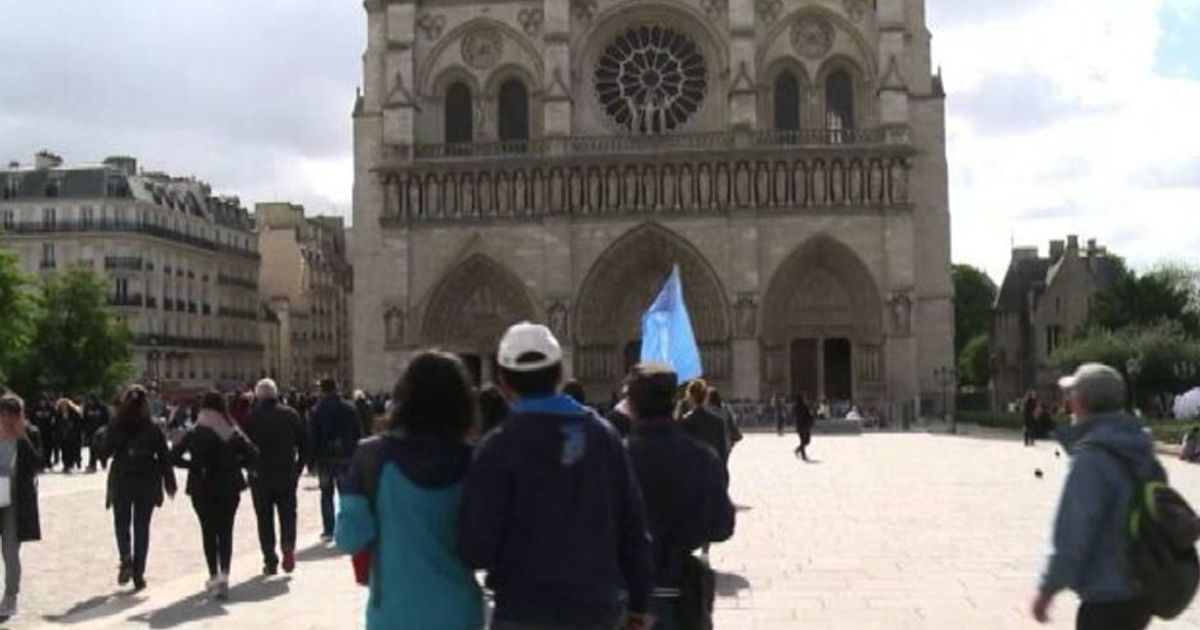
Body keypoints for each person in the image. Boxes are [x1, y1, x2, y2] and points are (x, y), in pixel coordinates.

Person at [458, 322, 653, 630]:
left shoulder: (496, 448)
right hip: (594, 611)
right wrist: (640, 605)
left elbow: (476, 547)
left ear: (503, 383)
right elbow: (633, 529)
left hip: (521, 613)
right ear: (561, 373)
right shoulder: (604, 437)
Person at [336, 352, 485, 630]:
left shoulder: (371, 456)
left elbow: (349, 538)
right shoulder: (476, 460)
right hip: (459, 612)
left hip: (395, 614)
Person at [1032, 363, 1156, 629]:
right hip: (1141, 592)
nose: (1067, 401)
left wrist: (1047, 590)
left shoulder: (1093, 457)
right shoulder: (1139, 447)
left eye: (1071, 394)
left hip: (1105, 599)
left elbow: (1073, 533)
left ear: (1082, 402)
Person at [625, 364, 736, 630]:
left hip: (628, 599)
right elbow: (722, 526)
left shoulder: (613, 458)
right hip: (681, 595)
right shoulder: (702, 457)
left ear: (630, 404)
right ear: (675, 400)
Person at [171, 392, 258, 599]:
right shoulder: (232, 431)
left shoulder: (195, 431)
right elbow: (253, 454)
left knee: (208, 532)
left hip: (202, 487)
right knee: (226, 531)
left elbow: (172, 456)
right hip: (229, 486)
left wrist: (193, 465)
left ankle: (213, 575)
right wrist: (237, 464)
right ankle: (225, 575)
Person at [103, 386, 177, 591]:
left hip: (122, 478)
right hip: (147, 480)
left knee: (121, 523)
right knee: (142, 527)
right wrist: (169, 482)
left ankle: (125, 556)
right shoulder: (152, 428)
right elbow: (163, 456)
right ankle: (138, 574)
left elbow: (106, 451)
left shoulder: (117, 425)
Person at [242, 378, 307, 576]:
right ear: (276, 393)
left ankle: (270, 559)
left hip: (260, 475)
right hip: (286, 472)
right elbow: (305, 443)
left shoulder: (251, 418)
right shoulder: (291, 414)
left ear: (258, 396)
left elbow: (243, 448)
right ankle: (288, 545)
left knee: (264, 518)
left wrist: (248, 468)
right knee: (288, 512)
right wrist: (298, 468)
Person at [0, 394, 41, 623]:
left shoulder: (30, 433)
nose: (7, 419)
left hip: (15, 496)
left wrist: (22, 437)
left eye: (12, 414)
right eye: (3, 413)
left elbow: (38, 464)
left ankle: (10, 595)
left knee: (10, 548)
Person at [310, 379, 362, 542]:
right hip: (346, 457)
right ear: (336, 388)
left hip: (324, 458)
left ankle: (329, 530)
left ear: (323, 391)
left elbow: (313, 438)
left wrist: (311, 462)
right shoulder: (350, 408)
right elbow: (358, 434)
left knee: (326, 494)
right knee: (345, 494)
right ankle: (348, 527)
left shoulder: (317, 411)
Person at [681, 380, 730, 465]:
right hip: (712, 467)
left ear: (690, 397)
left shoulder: (685, 422)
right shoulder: (718, 421)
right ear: (706, 397)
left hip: (693, 469)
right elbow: (722, 451)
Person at [706, 388, 741, 455]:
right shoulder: (725, 408)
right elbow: (732, 424)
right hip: (725, 443)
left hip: (710, 445)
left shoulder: (706, 410)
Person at [82, 394, 111, 472]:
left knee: (101, 448)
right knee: (92, 448)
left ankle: (103, 461)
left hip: (101, 431)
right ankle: (92, 465)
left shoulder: (102, 407)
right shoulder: (87, 408)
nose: (90, 401)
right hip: (91, 431)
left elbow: (107, 418)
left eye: (91, 400)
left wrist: (105, 428)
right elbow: (85, 419)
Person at [55, 398, 84, 473]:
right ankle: (66, 465)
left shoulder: (74, 412)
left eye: (65, 405)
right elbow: (56, 424)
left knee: (72, 450)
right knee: (64, 450)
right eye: (62, 405)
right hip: (63, 435)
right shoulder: (58, 413)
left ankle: (71, 464)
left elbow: (78, 423)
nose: (64, 407)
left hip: (72, 435)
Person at [30, 396, 55, 471]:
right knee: (40, 448)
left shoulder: (50, 408)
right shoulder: (35, 409)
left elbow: (54, 418)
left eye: (44, 401)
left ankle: (48, 462)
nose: (42, 402)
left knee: (48, 448)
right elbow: (32, 419)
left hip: (48, 432)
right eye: (41, 401)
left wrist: (53, 428)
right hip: (38, 432)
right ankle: (40, 463)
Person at [793, 394, 815, 461]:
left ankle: (798, 450)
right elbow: (808, 415)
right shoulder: (804, 407)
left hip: (800, 426)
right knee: (805, 441)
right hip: (804, 426)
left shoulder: (796, 407)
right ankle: (802, 454)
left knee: (804, 441)